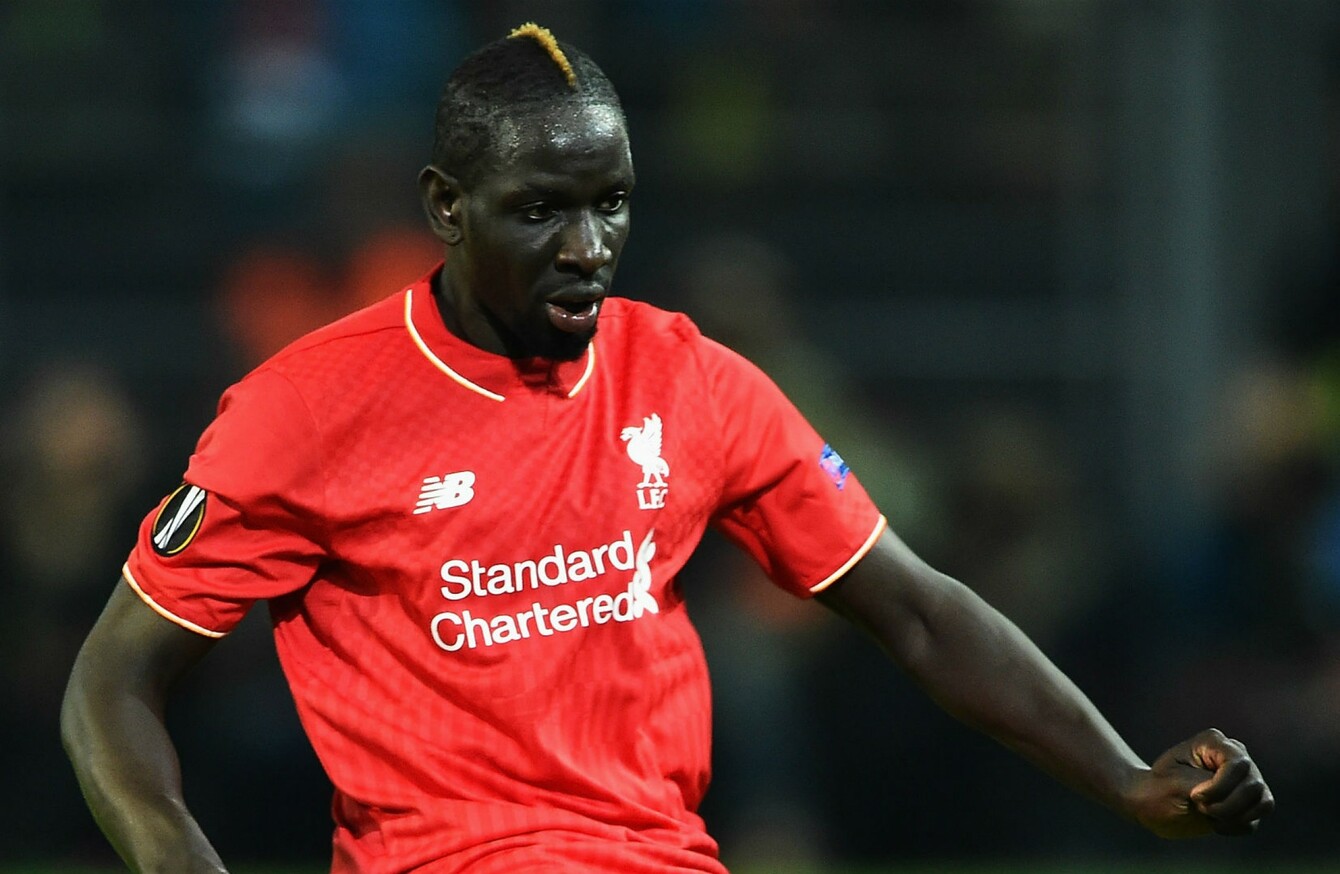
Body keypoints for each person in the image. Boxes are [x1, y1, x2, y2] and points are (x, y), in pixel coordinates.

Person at [61, 23, 1274, 874]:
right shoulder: (306, 409)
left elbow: (916, 610)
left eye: (612, 202)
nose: (587, 246)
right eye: (540, 210)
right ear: (444, 206)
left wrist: (1125, 777)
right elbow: (109, 681)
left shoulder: (687, 378)